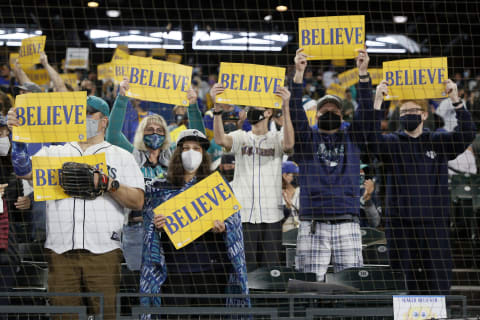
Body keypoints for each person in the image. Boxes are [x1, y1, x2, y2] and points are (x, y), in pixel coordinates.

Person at [7, 95, 145, 320]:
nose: (83, 118)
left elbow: (138, 201)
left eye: (90, 114)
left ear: (104, 122)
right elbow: (23, 170)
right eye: (79, 113)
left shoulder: (121, 156)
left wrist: (108, 184)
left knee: (105, 315)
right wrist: (19, 140)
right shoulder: (54, 153)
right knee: (63, 316)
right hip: (60, 251)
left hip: (104, 251)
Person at [371, 79, 476, 295]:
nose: (409, 114)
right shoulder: (391, 143)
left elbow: (467, 134)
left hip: (434, 223)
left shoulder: (438, 141)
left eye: (414, 110)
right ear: (399, 117)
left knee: (437, 278)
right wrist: (377, 101)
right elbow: (368, 139)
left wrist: (456, 100)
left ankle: (438, 314)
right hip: (400, 224)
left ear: (425, 114)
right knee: (402, 279)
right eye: (404, 111)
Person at [140, 129, 249, 318]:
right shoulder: (161, 187)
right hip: (175, 270)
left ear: (203, 154)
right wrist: (156, 225)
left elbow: (234, 225)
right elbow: (149, 228)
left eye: (197, 149)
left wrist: (224, 228)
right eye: (186, 148)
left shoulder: (217, 186)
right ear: (178, 153)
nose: (191, 152)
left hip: (211, 269)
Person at [290, 48, 373, 281]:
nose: (328, 111)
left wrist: (363, 73)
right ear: (315, 116)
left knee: (351, 287)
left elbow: (367, 110)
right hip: (313, 221)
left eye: (334, 109)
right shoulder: (307, 139)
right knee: (307, 286)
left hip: (347, 219)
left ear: (343, 115)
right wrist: (299, 72)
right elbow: (295, 110)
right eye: (323, 109)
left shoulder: (353, 137)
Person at [212, 83, 294, 271]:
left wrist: (286, 107)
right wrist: (217, 111)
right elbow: (220, 140)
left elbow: (289, 144)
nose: (249, 111)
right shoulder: (241, 136)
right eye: (248, 108)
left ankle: (268, 302)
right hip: (244, 215)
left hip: (272, 214)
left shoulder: (277, 137)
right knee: (246, 269)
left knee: (270, 269)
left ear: (267, 113)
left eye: (254, 108)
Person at [281, 161, 300, 233]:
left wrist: (291, 205)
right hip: (283, 235)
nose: (298, 176)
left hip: (299, 235)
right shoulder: (277, 195)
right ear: (285, 176)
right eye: (295, 174)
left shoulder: (301, 193)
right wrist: (287, 208)